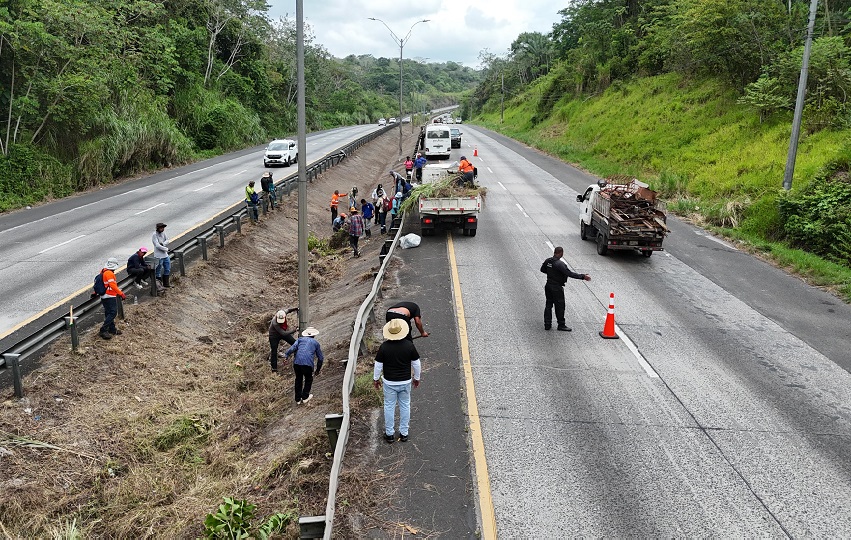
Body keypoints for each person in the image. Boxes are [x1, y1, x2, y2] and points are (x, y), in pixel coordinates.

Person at [373, 319, 422, 443]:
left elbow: (378, 365)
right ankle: (404, 433)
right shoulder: (409, 346)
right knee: (405, 405)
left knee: (389, 406)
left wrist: (376, 379)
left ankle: (389, 434)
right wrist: (417, 378)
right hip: (405, 381)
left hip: (389, 382)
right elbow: (416, 364)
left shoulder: (384, 347)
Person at [540, 246, 592, 331]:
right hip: (557, 288)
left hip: (548, 285)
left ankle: (547, 324)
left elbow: (542, 269)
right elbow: (569, 273)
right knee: (560, 306)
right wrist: (583, 276)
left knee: (548, 305)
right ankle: (561, 325)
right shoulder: (560, 264)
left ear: (554, 252)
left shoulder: (548, 261)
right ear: (561, 253)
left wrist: (551, 273)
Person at [285, 327, 324, 404]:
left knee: (298, 379)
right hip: (307, 364)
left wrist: (286, 355)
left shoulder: (300, 340)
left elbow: (293, 348)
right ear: (314, 335)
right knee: (308, 379)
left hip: (297, 363)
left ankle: (298, 399)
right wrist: (317, 370)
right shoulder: (316, 343)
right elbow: (321, 358)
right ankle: (305, 397)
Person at [97, 258, 126, 340]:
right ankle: (103, 330)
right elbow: (113, 285)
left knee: (108, 313)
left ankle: (112, 329)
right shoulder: (109, 273)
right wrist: (121, 293)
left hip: (104, 296)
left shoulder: (103, 271)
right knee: (113, 313)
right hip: (109, 296)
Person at [269, 307, 299, 373]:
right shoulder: (275, 322)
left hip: (282, 332)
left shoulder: (283, 313)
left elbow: (289, 310)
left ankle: (298, 358)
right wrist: (294, 330)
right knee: (274, 351)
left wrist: (295, 309)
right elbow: (284, 333)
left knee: (295, 343)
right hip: (274, 336)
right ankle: (274, 369)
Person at [151, 222, 172, 288]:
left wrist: (163, 244)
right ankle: (159, 285)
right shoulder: (154, 235)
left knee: (167, 268)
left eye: (163, 228)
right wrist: (166, 249)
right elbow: (157, 245)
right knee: (158, 270)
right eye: (161, 228)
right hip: (158, 256)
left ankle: (166, 283)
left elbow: (167, 240)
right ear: (158, 228)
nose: (162, 229)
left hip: (165, 255)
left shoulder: (163, 233)